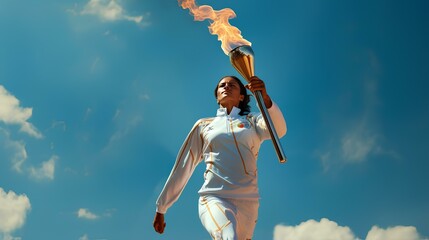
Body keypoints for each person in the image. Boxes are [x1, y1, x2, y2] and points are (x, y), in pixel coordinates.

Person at [153, 76, 287, 240]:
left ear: (242, 96)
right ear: (217, 96)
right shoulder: (204, 125)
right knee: (228, 236)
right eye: (222, 85)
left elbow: (278, 130)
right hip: (214, 197)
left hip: (249, 202)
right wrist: (162, 207)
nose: (226, 87)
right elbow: (183, 166)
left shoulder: (253, 120)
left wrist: (265, 98)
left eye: (232, 85)